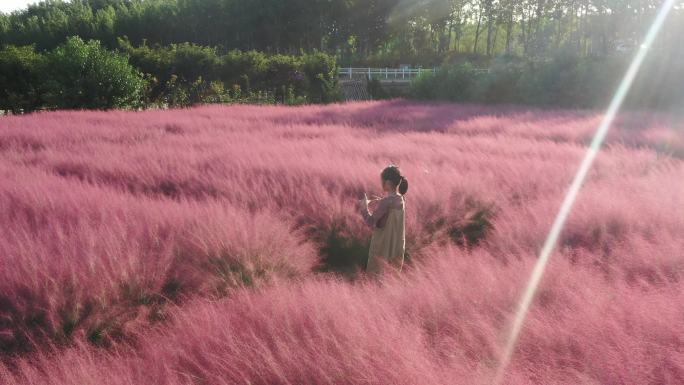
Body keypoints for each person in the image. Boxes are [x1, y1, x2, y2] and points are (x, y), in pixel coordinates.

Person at [359, 164, 408, 278]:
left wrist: (363, 207)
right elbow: (390, 210)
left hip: (382, 248)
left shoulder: (386, 202)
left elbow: (370, 222)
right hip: (395, 247)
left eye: (382, 181)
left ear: (387, 182)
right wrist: (381, 202)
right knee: (391, 278)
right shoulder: (401, 199)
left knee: (376, 278)